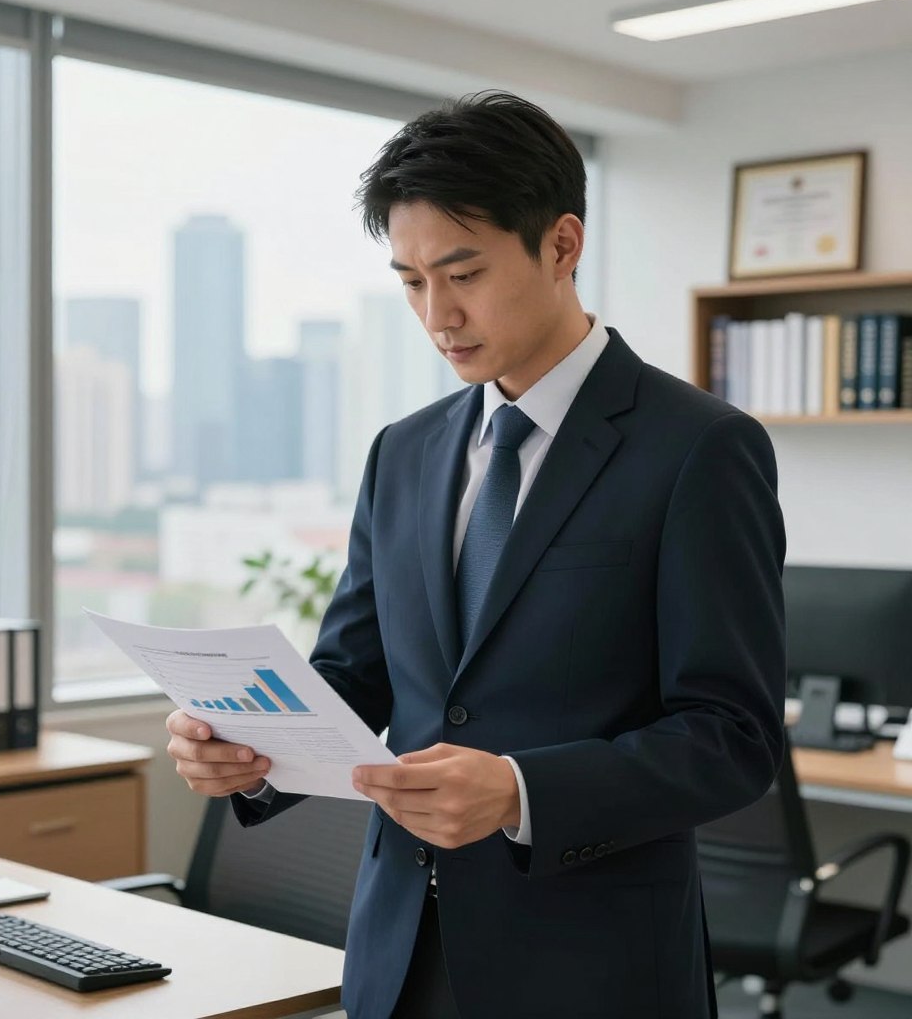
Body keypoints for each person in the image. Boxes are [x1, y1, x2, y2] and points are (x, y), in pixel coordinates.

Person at [166, 91, 786, 1019]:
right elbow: (356, 674)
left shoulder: (699, 448)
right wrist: (250, 749)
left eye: (463, 273)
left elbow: (732, 739)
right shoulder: (404, 451)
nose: (437, 314)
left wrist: (520, 790)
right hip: (398, 950)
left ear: (562, 245)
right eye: (411, 281)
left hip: (592, 966)